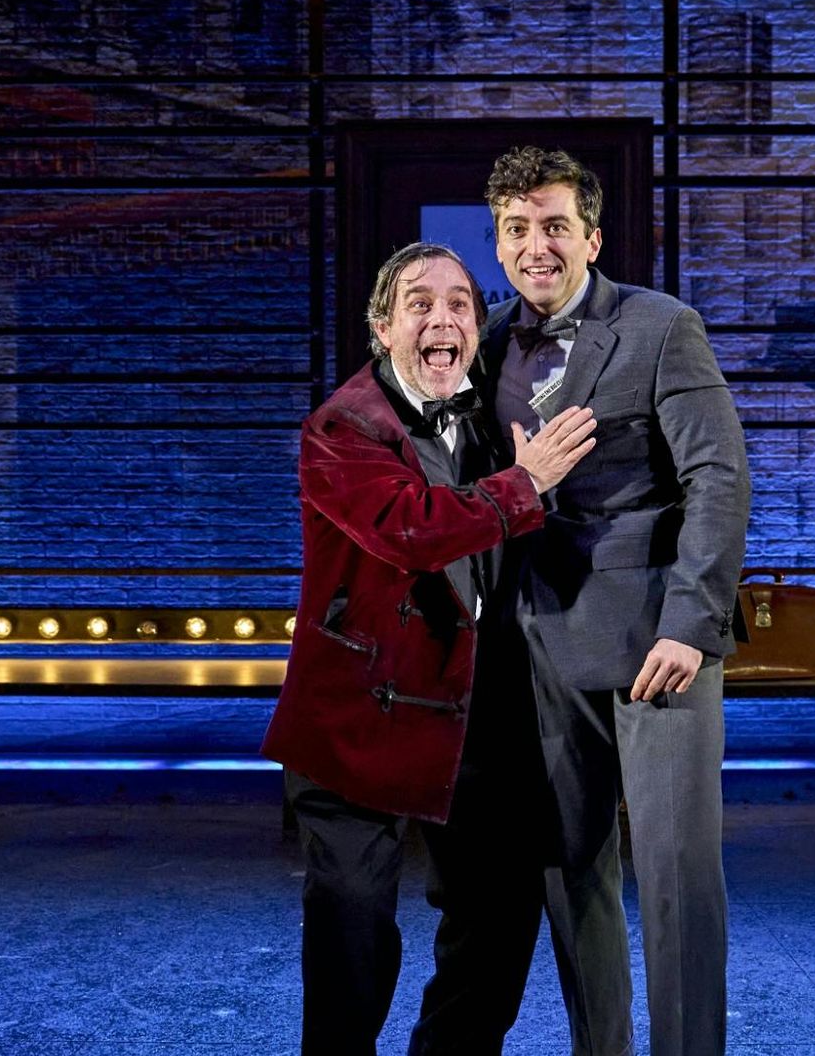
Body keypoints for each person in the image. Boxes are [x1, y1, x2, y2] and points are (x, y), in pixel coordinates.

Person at [261, 241, 597, 1055]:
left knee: (501, 915)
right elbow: (410, 528)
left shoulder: (490, 416)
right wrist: (527, 483)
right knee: (352, 931)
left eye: (458, 306)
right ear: (383, 327)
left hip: (467, 709)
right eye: (419, 304)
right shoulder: (342, 424)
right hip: (357, 717)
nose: (442, 320)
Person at [478, 147, 751, 1056]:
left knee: (676, 875)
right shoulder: (483, 339)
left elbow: (719, 479)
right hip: (540, 640)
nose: (537, 245)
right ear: (498, 244)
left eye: (555, 226)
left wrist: (691, 626)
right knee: (568, 867)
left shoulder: (662, 326)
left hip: (655, 644)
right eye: (518, 229)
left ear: (591, 237)